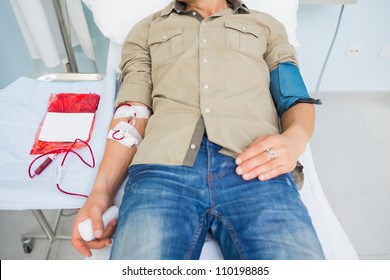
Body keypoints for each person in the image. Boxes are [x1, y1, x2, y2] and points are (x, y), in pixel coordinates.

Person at [72, 0, 325, 260]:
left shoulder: (267, 26)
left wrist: (293, 142)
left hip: (256, 163)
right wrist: (101, 193)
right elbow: (132, 113)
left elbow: (294, 98)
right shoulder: (146, 31)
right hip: (163, 168)